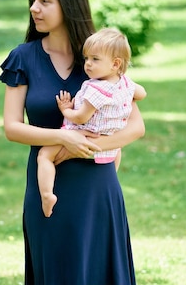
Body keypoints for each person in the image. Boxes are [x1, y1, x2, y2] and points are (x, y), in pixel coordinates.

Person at [0, 0, 145, 285]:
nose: (34, 8)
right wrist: (63, 139)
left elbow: (136, 125)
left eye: (45, 0)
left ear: (69, 4)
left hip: (96, 185)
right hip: (47, 183)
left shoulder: (100, 57)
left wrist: (96, 146)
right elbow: (11, 127)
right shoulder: (24, 56)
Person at [37, 27, 147, 217]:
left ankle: (47, 195)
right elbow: (142, 93)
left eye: (95, 59)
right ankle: (110, 181)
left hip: (84, 133)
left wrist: (66, 110)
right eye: (86, 58)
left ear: (115, 64)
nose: (87, 64)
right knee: (116, 153)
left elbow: (81, 117)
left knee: (44, 155)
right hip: (110, 141)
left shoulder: (96, 89)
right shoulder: (126, 83)